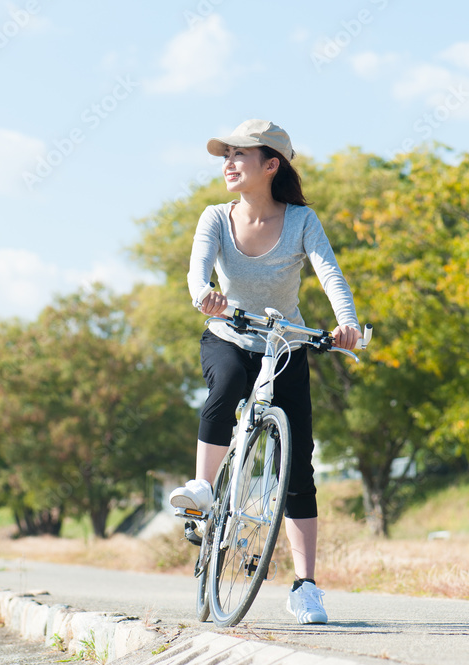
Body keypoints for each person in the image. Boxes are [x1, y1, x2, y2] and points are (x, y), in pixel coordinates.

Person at [169, 119, 360, 625]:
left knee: (299, 470)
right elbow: (196, 269)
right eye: (225, 155)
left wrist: (347, 324)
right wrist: (203, 295)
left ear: (271, 165)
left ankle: (306, 586)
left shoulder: (301, 220)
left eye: (240, 155)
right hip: (228, 335)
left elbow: (330, 272)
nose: (228, 164)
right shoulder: (214, 216)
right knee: (227, 383)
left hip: (285, 345)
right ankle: (204, 491)